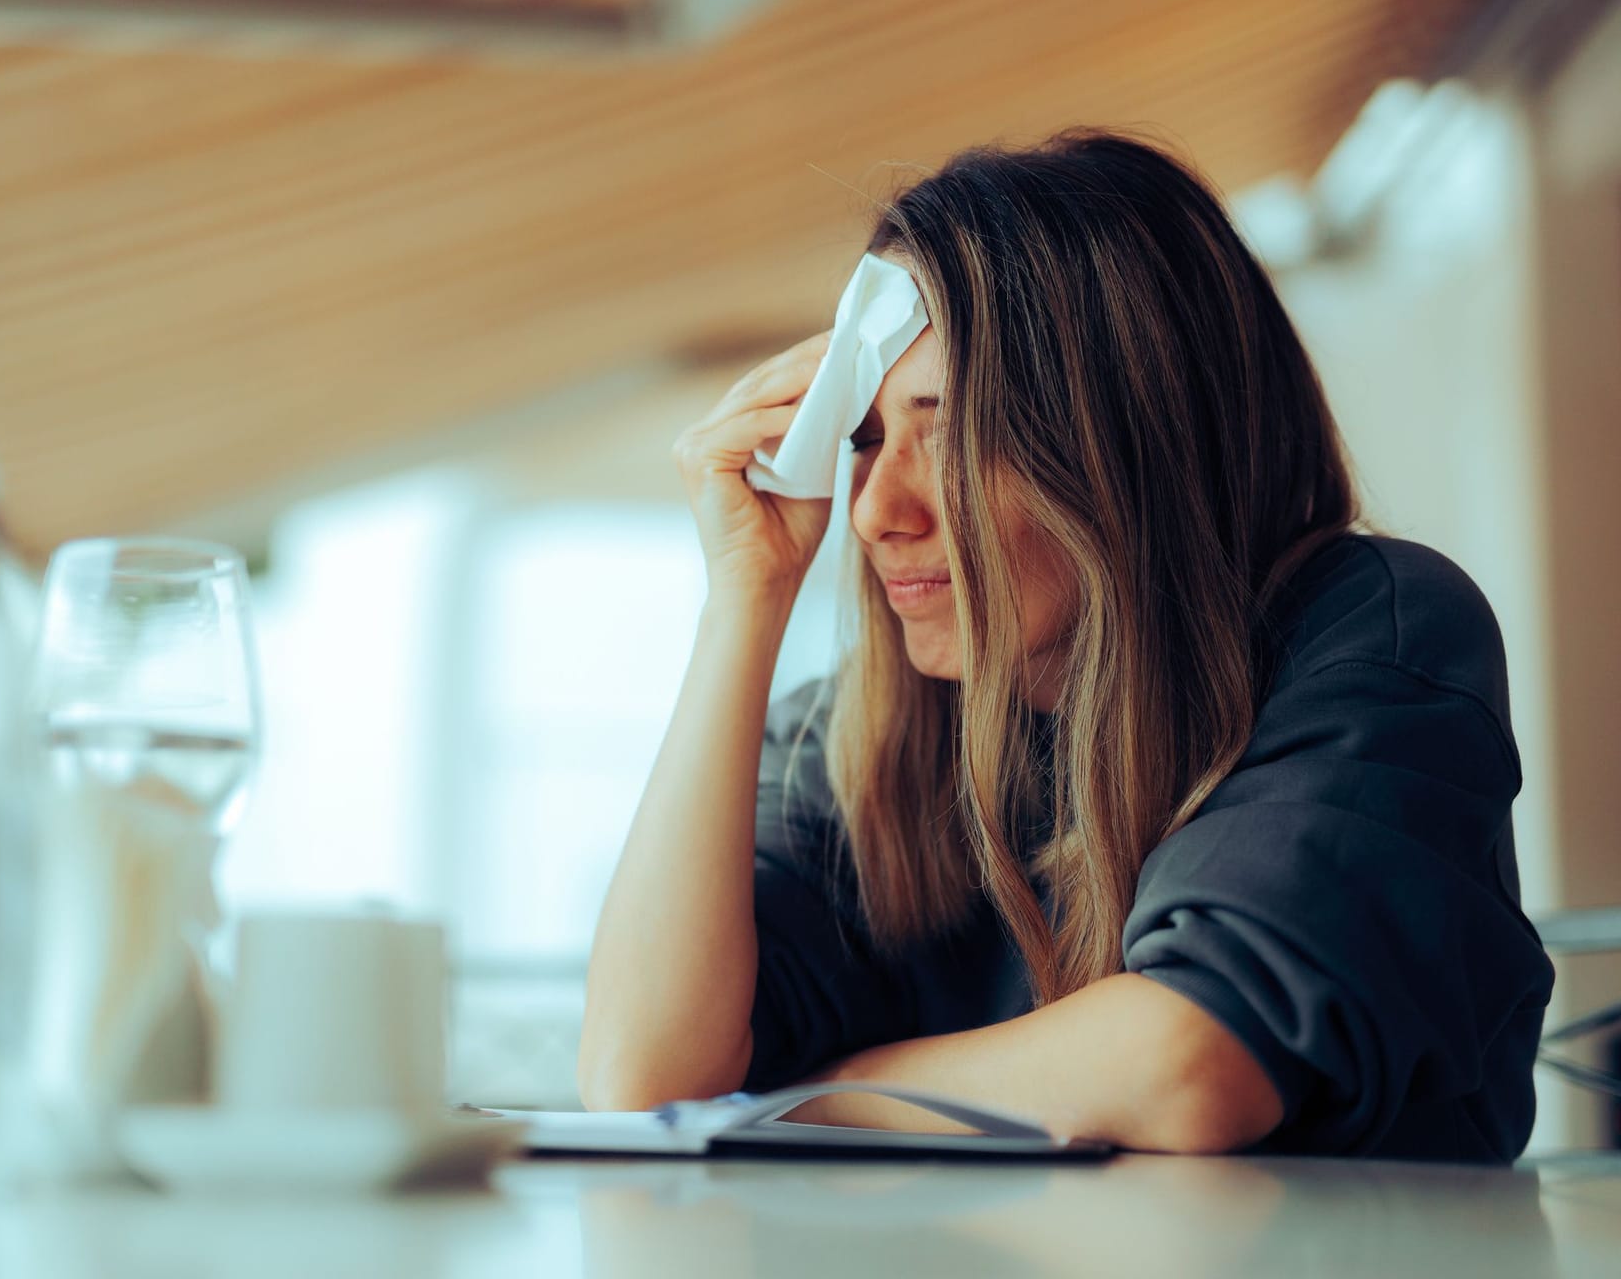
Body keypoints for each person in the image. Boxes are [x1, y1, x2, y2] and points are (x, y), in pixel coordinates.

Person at [576, 131, 1555, 1162]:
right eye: (862, 439)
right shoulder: (854, 733)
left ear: (1128, 438)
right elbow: (644, 1079)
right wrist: (744, 596)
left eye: (949, 428)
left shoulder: (1370, 628)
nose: (873, 513)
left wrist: (814, 1092)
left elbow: (1185, 1064)